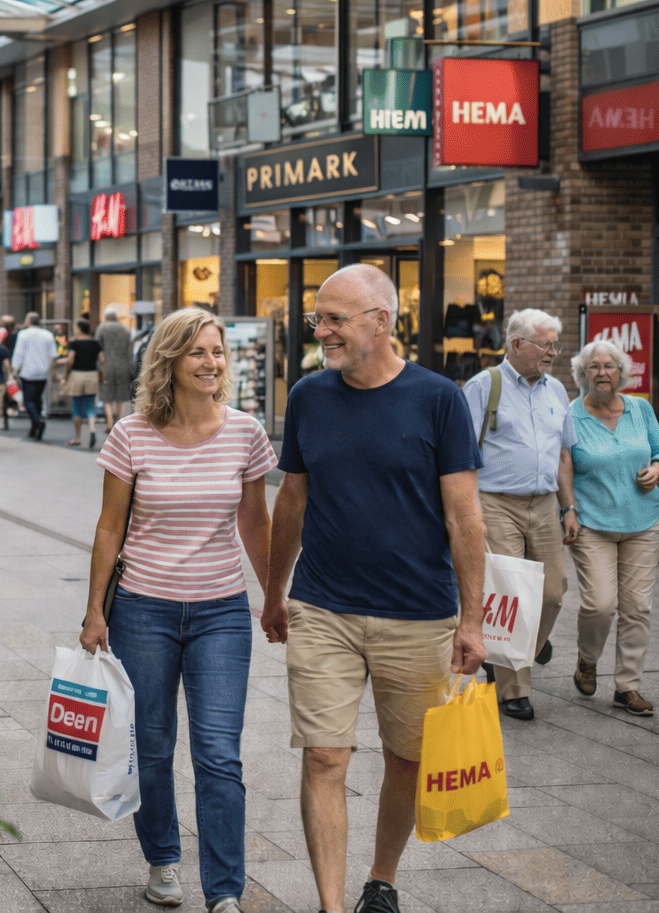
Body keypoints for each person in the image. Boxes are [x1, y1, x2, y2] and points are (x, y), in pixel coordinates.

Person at [265, 264, 486, 913]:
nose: (322, 331)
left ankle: (380, 879)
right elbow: (293, 499)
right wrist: (274, 591)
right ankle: (332, 906)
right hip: (322, 608)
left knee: (407, 761)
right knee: (324, 759)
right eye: (319, 319)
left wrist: (471, 622)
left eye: (335, 318)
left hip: (417, 614)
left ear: (381, 321)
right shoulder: (308, 395)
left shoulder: (439, 398)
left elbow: (464, 517)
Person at [79, 308, 275, 913]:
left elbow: (254, 521)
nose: (213, 363)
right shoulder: (131, 434)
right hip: (144, 611)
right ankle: (163, 859)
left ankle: (224, 891)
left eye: (217, 352)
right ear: (169, 361)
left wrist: (274, 597)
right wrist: (94, 612)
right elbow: (110, 528)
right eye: (198, 353)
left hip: (221, 611)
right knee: (155, 745)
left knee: (219, 752)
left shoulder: (246, 432)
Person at [462, 308, 579, 721]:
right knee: (510, 594)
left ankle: (522, 648)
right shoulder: (483, 386)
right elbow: (462, 454)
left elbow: (564, 455)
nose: (552, 352)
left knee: (553, 591)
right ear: (516, 344)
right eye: (545, 344)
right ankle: (513, 692)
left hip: (545, 502)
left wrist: (569, 508)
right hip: (496, 501)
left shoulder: (558, 391)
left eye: (554, 344)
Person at [567, 339, 659, 717]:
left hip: (644, 523)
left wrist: (658, 469)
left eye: (609, 366)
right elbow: (563, 466)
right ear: (583, 374)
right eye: (594, 367)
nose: (602, 373)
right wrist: (568, 510)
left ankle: (628, 686)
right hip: (593, 524)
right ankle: (587, 659)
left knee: (637, 608)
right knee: (600, 604)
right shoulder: (572, 415)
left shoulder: (640, 409)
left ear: (621, 373)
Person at [9, 312, 55, 441]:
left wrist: (14, 369)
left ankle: (37, 422)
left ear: (28, 321)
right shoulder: (48, 334)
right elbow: (53, 355)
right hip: (42, 372)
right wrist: (49, 369)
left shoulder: (23, 334)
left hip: (28, 372)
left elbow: (18, 353)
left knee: (28, 400)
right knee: (37, 399)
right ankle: (35, 427)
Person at [59, 319, 103, 448]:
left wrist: (63, 366)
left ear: (79, 328)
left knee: (76, 406)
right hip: (92, 375)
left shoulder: (75, 343)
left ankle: (77, 438)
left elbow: (70, 359)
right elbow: (102, 359)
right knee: (90, 406)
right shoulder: (96, 343)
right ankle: (92, 429)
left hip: (77, 375)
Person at [97, 306, 134, 433]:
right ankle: (119, 422)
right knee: (121, 395)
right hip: (123, 365)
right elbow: (130, 351)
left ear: (106, 317)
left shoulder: (102, 328)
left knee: (107, 396)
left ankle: (109, 422)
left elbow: (97, 347)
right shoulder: (125, 330)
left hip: (107, 366)